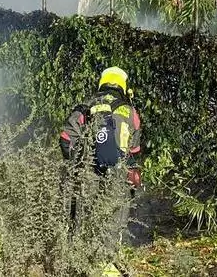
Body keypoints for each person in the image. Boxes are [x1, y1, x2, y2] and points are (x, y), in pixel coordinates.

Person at [59, 66, 143, 277]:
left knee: (81, 219)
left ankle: (76, 265)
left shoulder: (86, 107)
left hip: (88, 172)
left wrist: (79, 162)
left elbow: (66, 139)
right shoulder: (130, 112)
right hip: (119, 174)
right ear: (124, 86)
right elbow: (134, 151)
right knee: (114, 220)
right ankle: (107, 266)